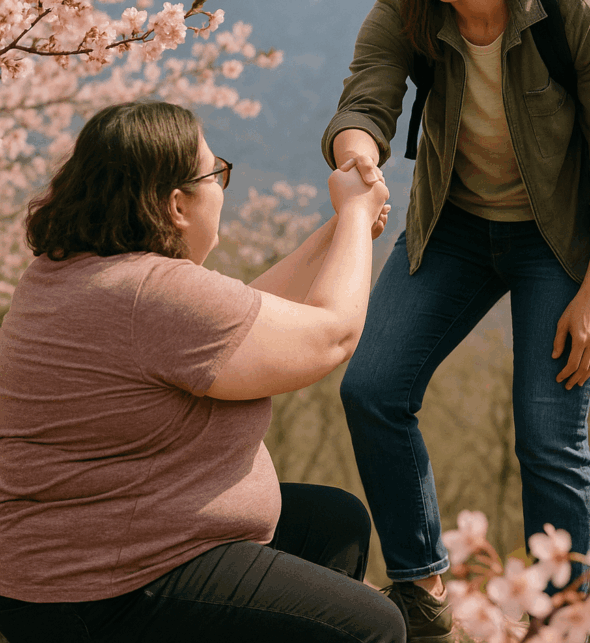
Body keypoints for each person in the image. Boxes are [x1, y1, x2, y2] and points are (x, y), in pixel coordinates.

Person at [321, 0, 590, 643]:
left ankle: (560, 618)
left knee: (545, 435)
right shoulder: (405, 9)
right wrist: (358, 156)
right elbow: (365, 96)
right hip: (454, 229)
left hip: (558, 242)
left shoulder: (570, 13)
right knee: (370, 389)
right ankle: (422, 588)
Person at [0, 100, 406, 643]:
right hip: (97, 590)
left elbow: (240, 325)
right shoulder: (150, 294)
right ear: (175, 204)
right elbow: (330, 336)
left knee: (333, 523)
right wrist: (356, 217)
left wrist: (338, 235)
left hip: (82, 558)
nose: (222, 186)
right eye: (216, 174)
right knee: (373, 627)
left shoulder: (78, 273)